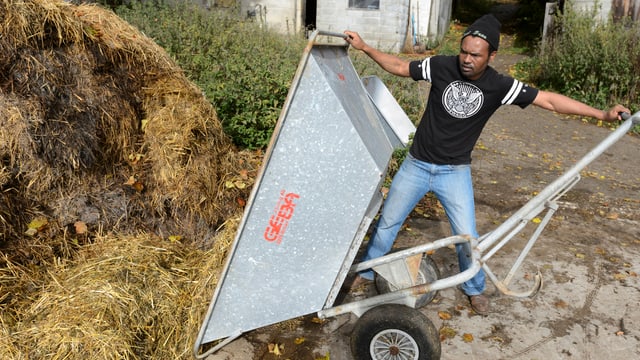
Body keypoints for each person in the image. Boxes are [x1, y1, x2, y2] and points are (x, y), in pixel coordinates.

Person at [343, 14, 629, 315]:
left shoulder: (499, 85)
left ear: (491, 55)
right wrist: (365, 47)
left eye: (475, 55)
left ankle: (474, 288)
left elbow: (548, 100)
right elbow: (400, 66)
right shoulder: (441, 66)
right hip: (416, 164)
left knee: (467, 236)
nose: (466, 59)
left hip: (454, 172)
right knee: (388, 222)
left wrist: (601, 115)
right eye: (463, 52)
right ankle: (367, 272)